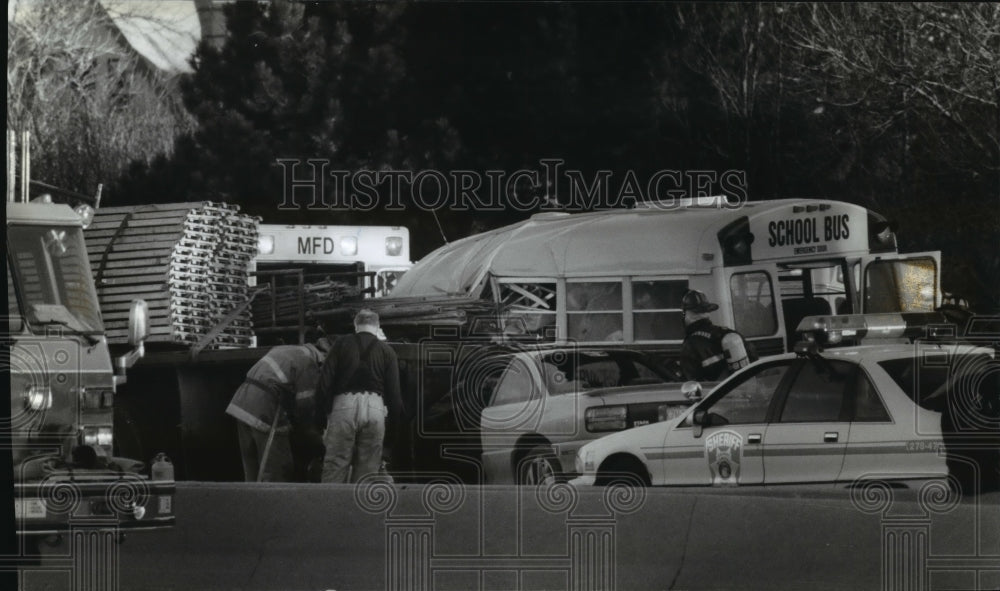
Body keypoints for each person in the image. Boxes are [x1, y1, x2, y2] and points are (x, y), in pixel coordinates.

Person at [226, 337, 332, 482]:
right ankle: (273, 503)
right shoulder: (308, 361)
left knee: (253, 467)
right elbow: (305, 407)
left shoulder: (288, 349)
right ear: (325, 356)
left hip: (242, 403)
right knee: (277, 467)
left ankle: (252, 501)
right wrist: (317, 437)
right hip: (264, 408)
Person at [315, 309, 403, 483]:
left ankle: (328, 508)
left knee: (335, 464)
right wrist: (391, 438)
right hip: (375, 407)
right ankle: (358, 509)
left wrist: (320, 417)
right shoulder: (387, 351)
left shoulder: (341, 344)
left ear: (356, 325)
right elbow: (395, 397)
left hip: (343, 405)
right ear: (378, 327)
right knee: (369, 469)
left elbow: (324, 383)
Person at [679, 290, 756, 382]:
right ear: (707, 312)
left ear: (687, 314)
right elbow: (754, 360)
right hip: (747, 391)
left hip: (718, 395)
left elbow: (692, 384)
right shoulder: (728, 333)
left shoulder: (690, 345)